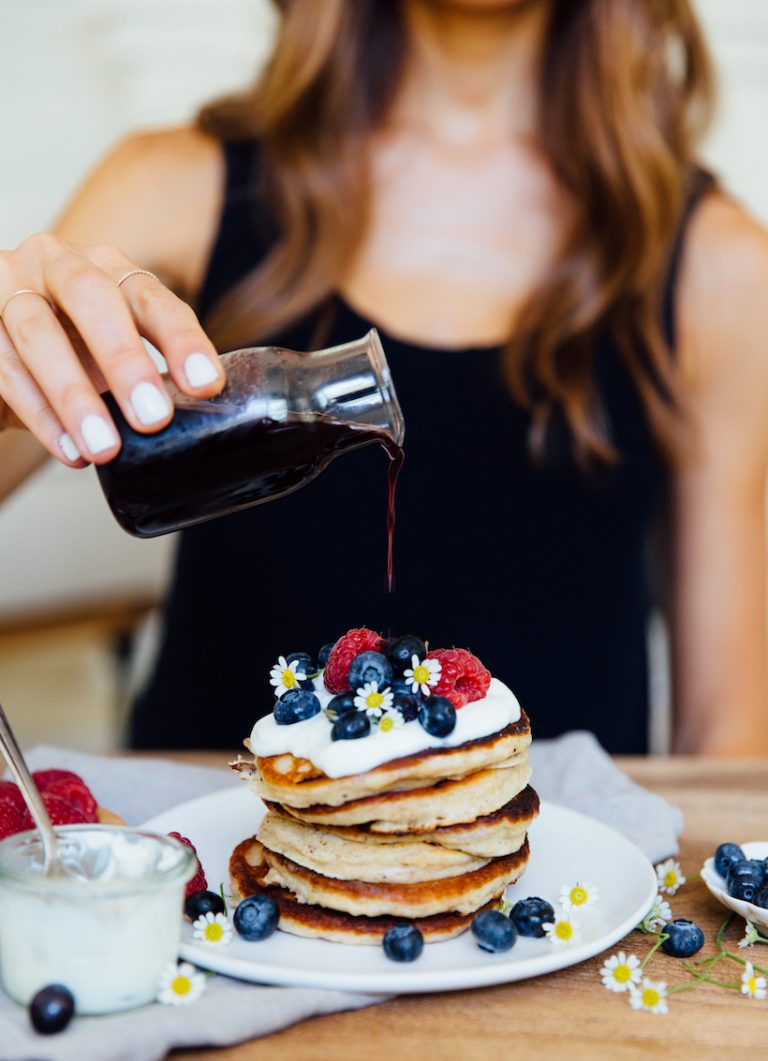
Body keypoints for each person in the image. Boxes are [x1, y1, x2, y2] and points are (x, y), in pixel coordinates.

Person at [1, 0, 767, 755]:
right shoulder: (169, 189)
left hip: (554, 872)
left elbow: (725, 737)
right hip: (209, 860)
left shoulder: (720, 269)